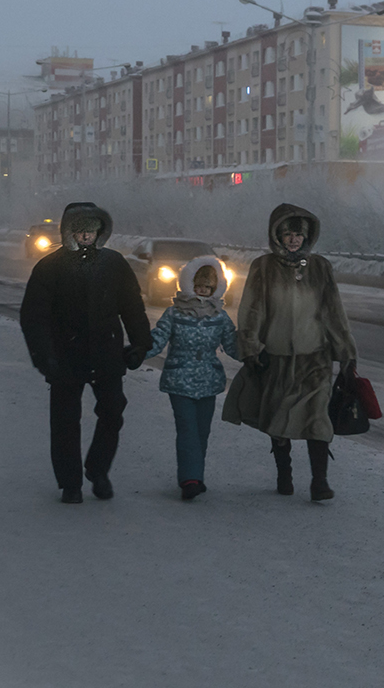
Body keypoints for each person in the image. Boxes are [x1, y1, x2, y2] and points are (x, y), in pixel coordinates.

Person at [222, 203, 356, 501]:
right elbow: (253, 309)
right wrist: (252, 348)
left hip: (315, 357)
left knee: (317, 419)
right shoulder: (264, 266)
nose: (294, 239)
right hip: (277, 357)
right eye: (288, 234)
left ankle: (319, 482)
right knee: (279, 421)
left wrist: (345, 351)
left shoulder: (320, 267)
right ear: (277, 236)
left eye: (299, 234)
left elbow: (333, 310)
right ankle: (284, 474)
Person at [19, 202, 152, 504]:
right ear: (68, 231)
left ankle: (98, 469)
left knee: (112, 412)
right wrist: (44, 357)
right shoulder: (50, 267)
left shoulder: (114, 264)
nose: (86, 235)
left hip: (107, 353)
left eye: (91, 230)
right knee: (65, 422)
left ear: (100, 231)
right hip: (65, 356)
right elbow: (34, 317)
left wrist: (141, 344)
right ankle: (71, 483)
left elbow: (132, 306)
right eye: (79, 230)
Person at [147, 257, 238, 501]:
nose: (202, 292)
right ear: (188, 285)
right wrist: (136, 352)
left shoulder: (220, 316)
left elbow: (233, 346)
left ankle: (197, 476)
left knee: (201, 432)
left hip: (208, 382)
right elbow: (157, 339)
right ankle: (189, 480)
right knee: (187, 429)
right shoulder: (174, 313)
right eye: (198, 287)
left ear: (215, 289)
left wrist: (256, 353)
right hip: (179, 380)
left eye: (207, 288)